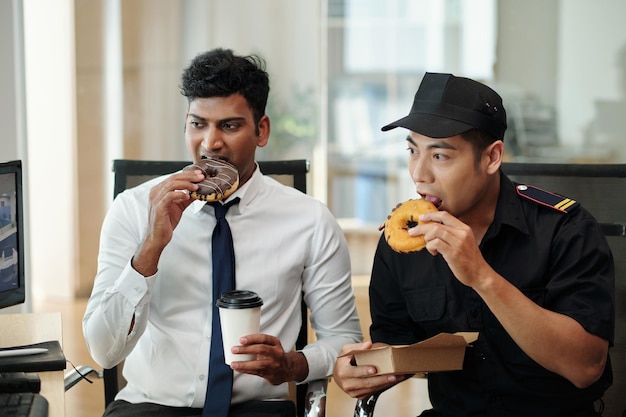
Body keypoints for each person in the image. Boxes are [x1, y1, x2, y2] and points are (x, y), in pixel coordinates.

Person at [83, 48, 362, 417]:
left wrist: (291, 365)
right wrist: (150, 247)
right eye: (198, 124)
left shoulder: (310, 221)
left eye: (229, 126)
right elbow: (103, 351)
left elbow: (344, 340)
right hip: (151, 405)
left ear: (261, 130)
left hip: (256, 408)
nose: (210, 143)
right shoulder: (133, 210)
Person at [333, 72, 614, 417]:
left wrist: (481, 275)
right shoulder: (402, 241)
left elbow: (586, 368)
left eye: (440, 156)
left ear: (492, 157)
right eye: (412, 150)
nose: (419, 173)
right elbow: (398, 346)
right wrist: (361, 369)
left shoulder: (566, 229)